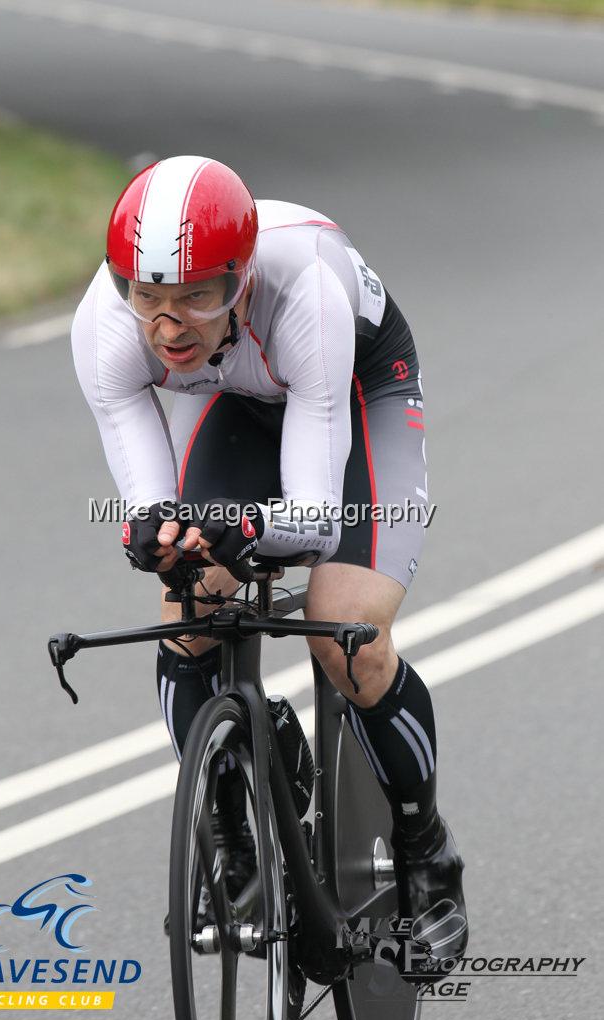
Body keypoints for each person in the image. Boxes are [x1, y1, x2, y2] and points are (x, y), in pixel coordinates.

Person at [72, 154, 468, 977]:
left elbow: (315, 518)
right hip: (246, 393)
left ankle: (426, 847)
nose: (168, 326)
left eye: (196, 298)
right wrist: (161, 535)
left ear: (240, 281)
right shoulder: (105, 326)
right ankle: (228, 824)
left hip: (355, 387)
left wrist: (240, 523)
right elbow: (152, 511)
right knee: (187, 608)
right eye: (146, 298)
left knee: (348, 636)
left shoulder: (303, 293)